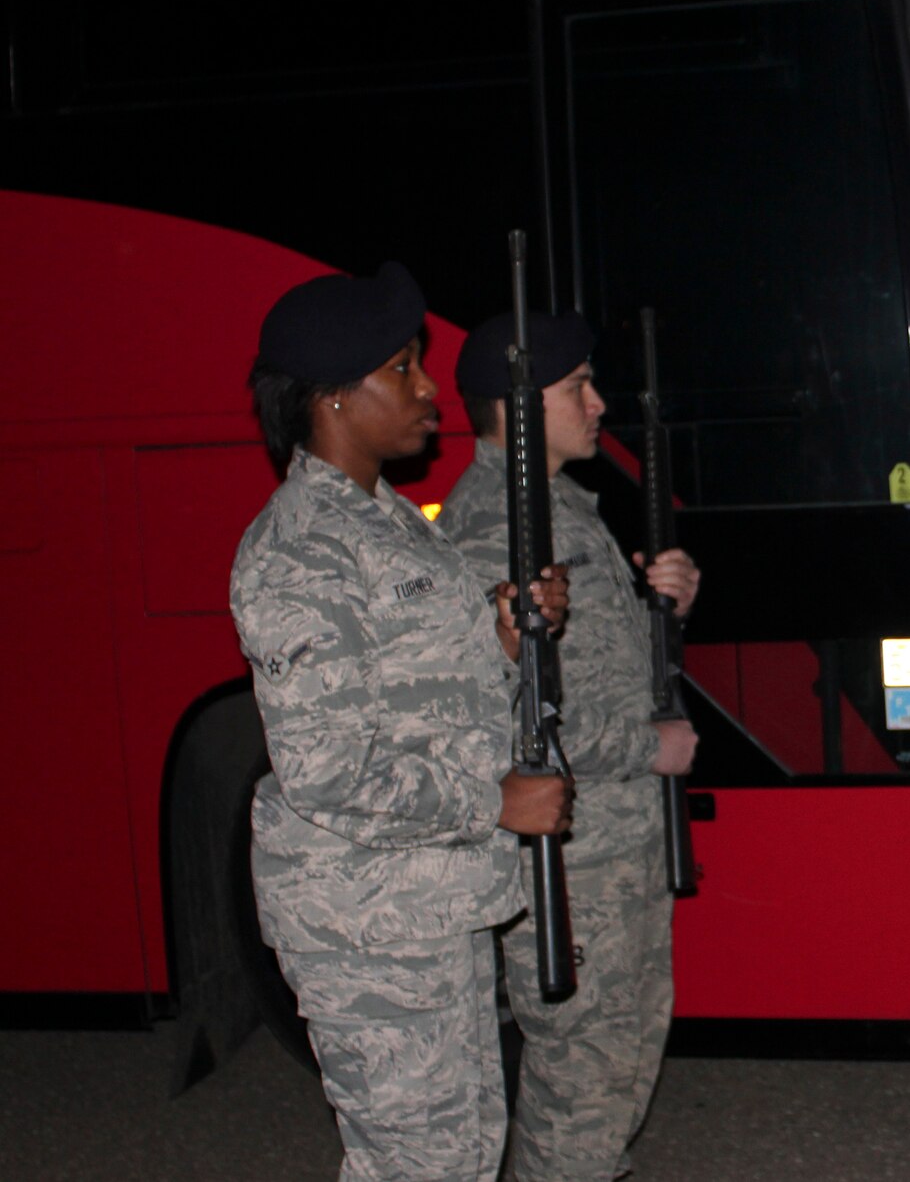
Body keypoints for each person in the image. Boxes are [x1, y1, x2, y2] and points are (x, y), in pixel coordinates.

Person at [231, 264, 574, 1182]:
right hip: (365, 921)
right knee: (414, 1165)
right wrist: (494, 800)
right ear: (334, 398)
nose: (429, 390)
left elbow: (429, 700)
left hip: (430, 900)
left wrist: (502, 641)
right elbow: (328, 769)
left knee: (459, 1154)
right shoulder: (302, 550)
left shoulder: (386, 521)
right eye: (403, 369)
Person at [440, 309, 699, 1182]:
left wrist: (668, 610)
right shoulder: (492, 528)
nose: (598, 403)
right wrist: (648, 747)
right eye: (574, 387)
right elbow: (513, 715)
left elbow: (601, 671)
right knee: (577, 1080)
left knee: (619, 1066)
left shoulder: (563, 510)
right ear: (516, 409)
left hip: (617, 848)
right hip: (575, 863)